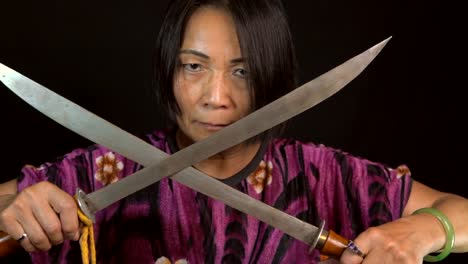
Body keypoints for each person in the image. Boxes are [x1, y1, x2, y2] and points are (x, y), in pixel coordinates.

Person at [1, 0, 467, 263]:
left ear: (273, 78)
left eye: (242, 72)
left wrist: (420, 231)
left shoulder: (322, 174)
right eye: (193, 67)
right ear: (168, 72)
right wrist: (10, 213)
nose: (217, 97)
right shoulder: (104, 172)